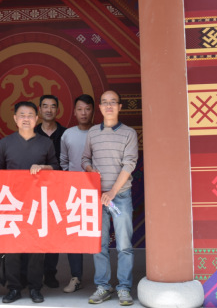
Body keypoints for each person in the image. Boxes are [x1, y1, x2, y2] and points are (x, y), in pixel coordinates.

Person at [0, 101, 60, 304]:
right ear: (15, 118)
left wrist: (44, 167)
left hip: (37, 204)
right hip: (12, 204)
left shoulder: (45, 143)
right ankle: (14, 288)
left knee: (36, 249)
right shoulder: (5, 143)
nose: (26, 118)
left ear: (36, 118)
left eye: (30, 115)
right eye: (22, 115)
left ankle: (35, 288)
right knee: (12, 249)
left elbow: (57, 168)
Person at [81, 90, 138, 306]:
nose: (109, 106)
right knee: (99, 244)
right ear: (100, 107)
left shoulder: (129, 133)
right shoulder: (92, 133)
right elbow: (85, 159)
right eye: (104, 102)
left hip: (120, 196)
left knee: (124, 245)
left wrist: (112, 192)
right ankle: (103, 286)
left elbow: (129, 164)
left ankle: (124, 288)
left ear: (120, 107)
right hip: (96, 197)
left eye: (113, 102)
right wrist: (90, 170)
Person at [58, 94, 95, 293]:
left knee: (99, 235)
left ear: (93, 111)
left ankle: (103, 280)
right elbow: (63, 161)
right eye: (80, 109)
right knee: (74, 235)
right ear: (74, 112)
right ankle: (76, 277)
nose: (83, 113)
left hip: (98, 191)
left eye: (87, 109)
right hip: (73, 191)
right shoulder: (68, 134)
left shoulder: (100, 132)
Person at [34, 94, 66, 289]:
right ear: (39, 109)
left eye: (52, 106)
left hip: (57, 190)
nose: (48, 110)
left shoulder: (66, 133)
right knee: (34, 232)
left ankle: (50, 273)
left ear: (57, 110)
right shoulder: (31, 132)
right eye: (45, 106)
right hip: (34, 191)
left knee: (53, 232)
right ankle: (32, 274)